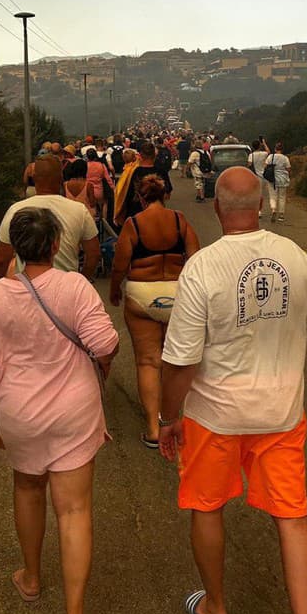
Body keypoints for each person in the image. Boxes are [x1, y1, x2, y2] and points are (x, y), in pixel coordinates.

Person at [158, 168, 307, 614]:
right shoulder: (295, 256)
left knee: (206, 506)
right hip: (281, 412)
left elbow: (181, 361)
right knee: (293, 517)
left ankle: (215, 605)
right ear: (260, 202)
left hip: (215, 415)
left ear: (214, 205)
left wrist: (168, 418)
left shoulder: (203, 267)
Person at [0, 209, 119, 614]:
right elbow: (106, 344)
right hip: (73, 412)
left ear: (15, 247)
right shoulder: (74, 288)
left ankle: (31, 578)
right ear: (55, 246)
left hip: (19, 413)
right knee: (73, 512)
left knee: (28, 489)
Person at [109, 175, 200, 447]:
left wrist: (115, 290)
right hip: (177, 294)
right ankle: (172, 421)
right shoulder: (179, 220)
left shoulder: (133, 224)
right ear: (166, 195)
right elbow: (196, 259)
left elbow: (120, 264)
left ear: (140, 198)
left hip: (143, 293)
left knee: (148, 361)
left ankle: (152, 430)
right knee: (175, 360)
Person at [0, 155, 99, 281]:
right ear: (61, 178)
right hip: (66, 286)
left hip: (27, 286)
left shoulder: (16, 210)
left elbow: (1, 260)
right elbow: (94, 254)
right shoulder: (79, 210)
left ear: (35, 178)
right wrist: (82, 280)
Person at [264, 142, 291, 224]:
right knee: (282, 197)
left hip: (272, 179)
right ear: (282, 149)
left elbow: (265, 166)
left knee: (273, 196)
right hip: (283, 179)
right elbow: (288, 168)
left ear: (275, 149)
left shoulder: (270, 157)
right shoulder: (285, 158)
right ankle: (281, 214)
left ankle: (273, 210)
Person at [85, 147, 113, 219]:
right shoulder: (101, 165)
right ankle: (104, 221)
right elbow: (108, 179)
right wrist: (114, 188)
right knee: (104, 204)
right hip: (99, 191)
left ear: (87, 156)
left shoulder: (85, 165)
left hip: (87, 190)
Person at [248, 138, 270, 219]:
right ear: (259, 146)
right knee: (261, 195)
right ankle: (259, 210)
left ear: (253, 147)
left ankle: (255, 210)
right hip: (263, 177)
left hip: (254, 177)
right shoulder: (263, 154)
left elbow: (249, 164)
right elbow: (268, 152)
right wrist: (264, 143)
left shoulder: (251, 155)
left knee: (255, 195)